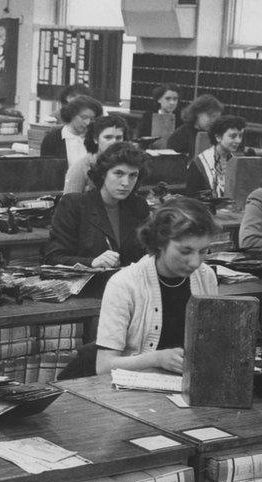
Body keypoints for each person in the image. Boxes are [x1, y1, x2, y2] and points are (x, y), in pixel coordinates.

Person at [94, 197, 220, 375]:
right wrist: (158, 359)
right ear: (160, 242)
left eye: (203, 251)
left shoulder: (206, 276)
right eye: (185, 251)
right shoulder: (123, 284)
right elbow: (104, 366)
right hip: (134, 390)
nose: (195, 262)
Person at [44, 142, 151, 268]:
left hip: (128, 283)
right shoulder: (74, 205)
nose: (126, 183)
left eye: (133, 175)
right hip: (88, 284)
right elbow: (53, 258)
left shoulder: (138, 205)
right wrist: (91, 262)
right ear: (103, 173)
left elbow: (147, 253)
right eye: (118, 173)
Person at [63, 115, 128, 194]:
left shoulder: (127, 164)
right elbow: (69, 203)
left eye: (119, 138)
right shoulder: (80, 168)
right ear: (95, 139)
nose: (114, 142)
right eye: (108, 137)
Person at [186, 115, 245, 198]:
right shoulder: (198, 164)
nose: (238, 140)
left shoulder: (237, 162)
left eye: (240, 136)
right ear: (218, 137)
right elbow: (191, 198)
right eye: (233, 136)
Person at [40, 95, 104, 164]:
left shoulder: (96, 138)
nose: (88, 122)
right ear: (72, 114)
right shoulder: (52, 138)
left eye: (92, 119)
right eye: (84, 117)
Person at [166, 94, 223, 161]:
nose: (214, 121)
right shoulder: (179, 137)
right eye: (211, 116)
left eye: (216, 117)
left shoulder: (217, 136)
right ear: (198, 113)